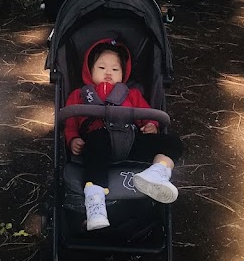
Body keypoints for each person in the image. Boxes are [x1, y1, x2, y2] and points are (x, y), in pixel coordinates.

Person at [63, 39, 183, 230]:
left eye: (115, 69)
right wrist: (73, 139)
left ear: (123, 73)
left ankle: (156, 173)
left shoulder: (132, 94)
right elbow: (70, 123)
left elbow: (148, 113)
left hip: (131, 141)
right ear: (89, 70)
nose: (108, 72)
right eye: (102, 67)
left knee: (173, 142)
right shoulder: (79, 95)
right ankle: (95, 203)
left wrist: (151, 125)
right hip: (97, 146)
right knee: (98, 139)